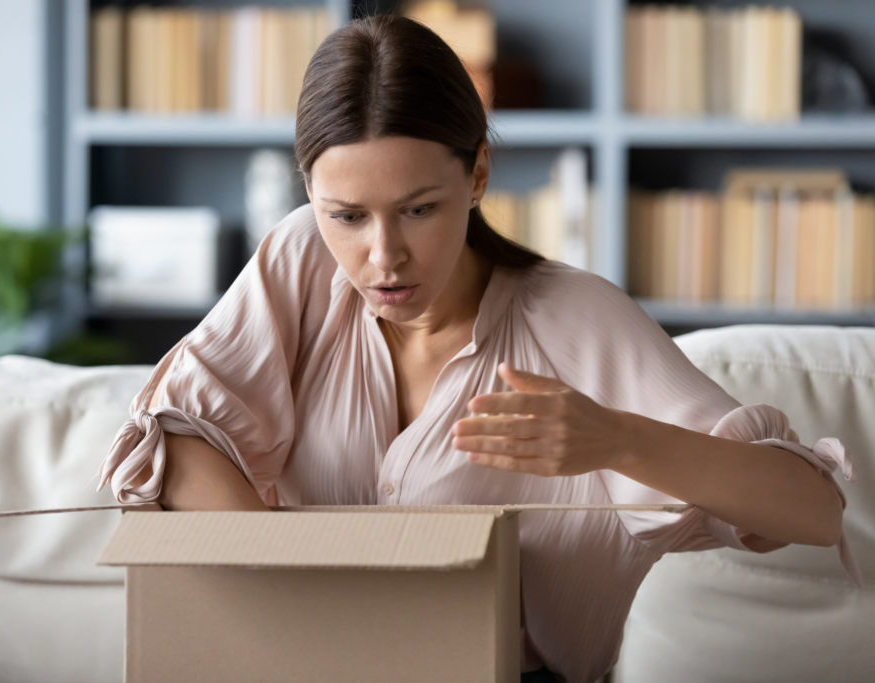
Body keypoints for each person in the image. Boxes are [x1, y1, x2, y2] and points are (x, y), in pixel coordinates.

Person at [97, 14, 856, 682]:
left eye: (418, 209)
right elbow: (176, 440)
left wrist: (615, 437)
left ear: (479, 174)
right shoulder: (301, 259)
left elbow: (814, 510)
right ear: (310, 196)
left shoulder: (572, 317)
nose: (382, 256)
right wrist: (308, 605)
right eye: (347, 215)